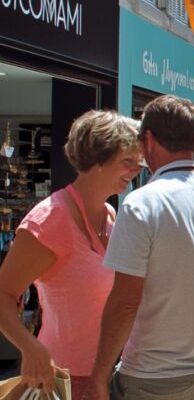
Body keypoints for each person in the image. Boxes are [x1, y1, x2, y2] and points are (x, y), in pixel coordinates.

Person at [88, 95, 194, 400]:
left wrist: (100, 375)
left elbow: (125, 302)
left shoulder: (141, 203)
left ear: (148, 141)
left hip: (156, 374)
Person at [0, 111, 140, 399]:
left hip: (112, 375)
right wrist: (30, 347)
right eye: (128, 160)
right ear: (99, 158)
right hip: (65, 379)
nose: (137, 168)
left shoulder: (110, 215)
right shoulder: (50, 220)